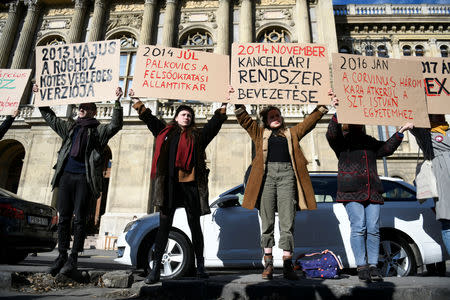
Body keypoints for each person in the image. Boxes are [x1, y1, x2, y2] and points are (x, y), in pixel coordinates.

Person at [128, 88, 229, 284]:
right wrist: (136, 100)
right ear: (176, 117)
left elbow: (214, 125)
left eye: (190, 115)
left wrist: (224, 105)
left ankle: (200, 267)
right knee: (164, 228)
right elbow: (148, 118)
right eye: (183, 114)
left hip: (190, 187)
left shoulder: (197, 136)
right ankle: (155, 269)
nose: (187, 117)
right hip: (170, 186)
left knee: (195, 228)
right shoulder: (165, 132)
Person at [234, 92, 329, 280]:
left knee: (288, 222)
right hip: (267, 177)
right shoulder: (259, 133)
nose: (275, 118)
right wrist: (237, 102)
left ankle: (287, 265)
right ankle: (268, 265)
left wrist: (321, 108)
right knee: (267, 222)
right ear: (266, 121)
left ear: (281, 118)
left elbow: (308, 123)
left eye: (277, 116)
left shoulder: (291, 133)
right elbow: (245, 120)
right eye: (271, 117)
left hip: (287, 177)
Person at [33, 84, 123, 276]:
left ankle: (74, 257)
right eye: (80, 107)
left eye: (85, 107)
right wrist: (40, 98)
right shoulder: (69, 128)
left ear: (93, 111)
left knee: (80, 219)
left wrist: (117, 103)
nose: (80, 109)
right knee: (64, 218)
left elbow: (116, 125)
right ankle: (62, 255)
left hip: (84, 178)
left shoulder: (98, 131)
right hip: (66, 176)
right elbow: (51, 118)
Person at [326, 91, 413, 282]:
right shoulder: (341, 140)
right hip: (351, 191)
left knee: (373, 228)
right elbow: (331, 134)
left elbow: (386, 149)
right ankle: (362, 266)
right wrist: (337, 111)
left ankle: (373, 265)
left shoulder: (369, 141)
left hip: (372, 190)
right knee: (359, 227)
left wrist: (400, 132)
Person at [410, 114, 450, 275]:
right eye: (434, 114)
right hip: (444, 184)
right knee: (448, 223)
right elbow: (416, 129)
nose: (438, 116)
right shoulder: (426, 136)